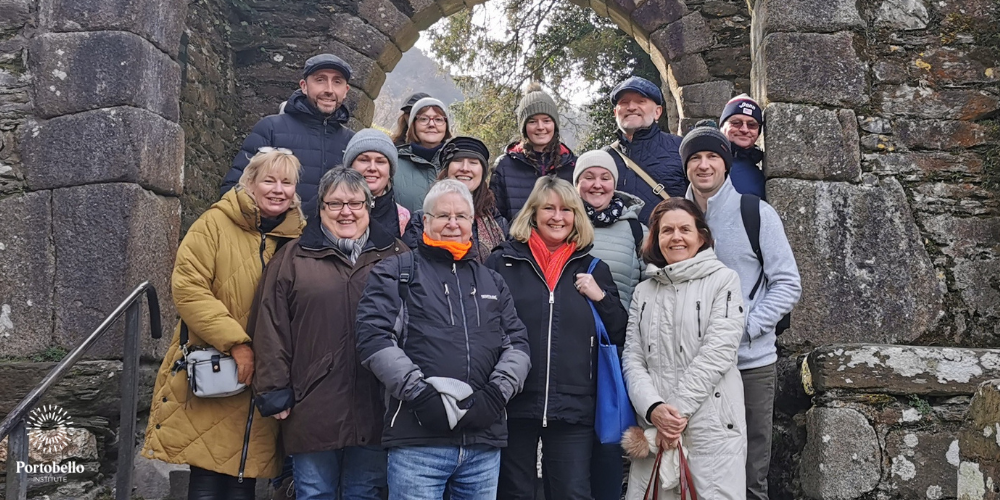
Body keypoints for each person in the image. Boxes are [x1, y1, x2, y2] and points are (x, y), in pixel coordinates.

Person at [143, 150, 306, 500]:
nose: (278, 189)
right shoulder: (214, 224)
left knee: (245, 480)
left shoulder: (298, 238)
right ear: (250, 183)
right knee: (206, 478)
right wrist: (236, 342)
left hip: (267, 373)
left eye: (287, 182)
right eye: (269, 180)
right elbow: (188, 288)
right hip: (217, 362)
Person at [356, 179, 532, 500]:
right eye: (443, 216)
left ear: (471, 223)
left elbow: (517, 347)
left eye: (461, 216)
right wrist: (420, 396)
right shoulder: (396, 272)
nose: (453, 223)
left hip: (482, 444)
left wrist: (494, 396)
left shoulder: (491, 279)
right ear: (426, 220)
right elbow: (375, 340)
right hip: (418, 443)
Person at [250, 168, 407, 500]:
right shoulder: (292, 259)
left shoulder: (397, 256)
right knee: (314, 493)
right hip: (312, 402)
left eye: (354, 203)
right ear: (319, 207)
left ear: (369, 206)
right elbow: (270, 326)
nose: (345, 212)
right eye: (335, 204)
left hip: (376, 403)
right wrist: (275, 389)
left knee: (364, 493)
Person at [486, 176, 628, 500]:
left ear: (577, 217)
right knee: (513, 493)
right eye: (548, 208)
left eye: (567, 210)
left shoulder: (594, 268)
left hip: (574, 405)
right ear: (533, 213)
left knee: (572, 492)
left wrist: (600, 297)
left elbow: (619, 331)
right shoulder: (502, 262)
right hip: (513, 401)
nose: (557, 217)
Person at [681, 121, 801, 500]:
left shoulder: (756, 214)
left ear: (726, 163)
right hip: (692, 366)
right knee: (695, 469)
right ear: (685, 166)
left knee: (751, 475)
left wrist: (745, 327)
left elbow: (787, 283)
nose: (703, 165)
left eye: (712, 157)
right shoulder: (675, 219)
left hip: (749, 363)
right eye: (695, 158)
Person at [621, 197, 747, 500]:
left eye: (684, 229)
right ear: (656, 238)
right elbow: (633, 357)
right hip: (658, 424)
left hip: (711, 426)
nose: (676, 237)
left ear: (701, 235)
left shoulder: (724, 281)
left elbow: (718, 351)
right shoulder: (644, 291)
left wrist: (672, 418)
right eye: (666, 231)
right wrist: (654, 409)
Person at [572, 150, 647, 500]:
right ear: (576, 183)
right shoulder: (562, 222)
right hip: (569, 348)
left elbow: (651, 282)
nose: (597, 184)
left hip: (617, 344)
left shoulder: (636, 229)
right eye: (588, 177)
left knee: (610, 439)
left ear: (615, 184)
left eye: (605, 177)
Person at [221, 54, 355, 217]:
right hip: (273, 238)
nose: (329, 89)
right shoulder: (271, 128)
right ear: (304, 86)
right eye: (320, 80)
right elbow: (235, 188)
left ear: (346, 90)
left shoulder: (352, 143)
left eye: (337, 81)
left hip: (328, 241)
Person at [403, 136, 508, 263]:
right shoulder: (420, 221)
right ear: (446, 170)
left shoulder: (498, 223)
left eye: (473, 162)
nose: (465, 168)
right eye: (458, 160)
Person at [603, 76, 687, 222]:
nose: (631, 107)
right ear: (615, 113)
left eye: (641, 101)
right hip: (619, 243)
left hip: (669, 242)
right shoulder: (602, 158)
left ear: (658, 112)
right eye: (624, 102)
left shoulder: (681, 149)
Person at [491, 83, 576, 221]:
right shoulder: (505, 165)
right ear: (524, 127)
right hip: (518, 241)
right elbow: (496, 216)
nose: (540, 127)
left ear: (555, 124)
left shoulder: (571, 164)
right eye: (532, 121)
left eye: (546, 120)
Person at [344, 129, 411, 236]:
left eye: (380, 162)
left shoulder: (403, 218)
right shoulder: (328, 207)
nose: (372, 168)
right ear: (350, 166)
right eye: (364, 160)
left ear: (390, 171)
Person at [394, 97, 452, 212]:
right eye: (423, 119)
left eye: (438, 119)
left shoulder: (457, 163)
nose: (431, 124)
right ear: (413, 125)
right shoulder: (394, 162)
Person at [719, 94, 766, 200]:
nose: (744, 129)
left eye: (752, 125)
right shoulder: (704, 161)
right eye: (736, 123)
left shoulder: (760, 173)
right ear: (722, 126)